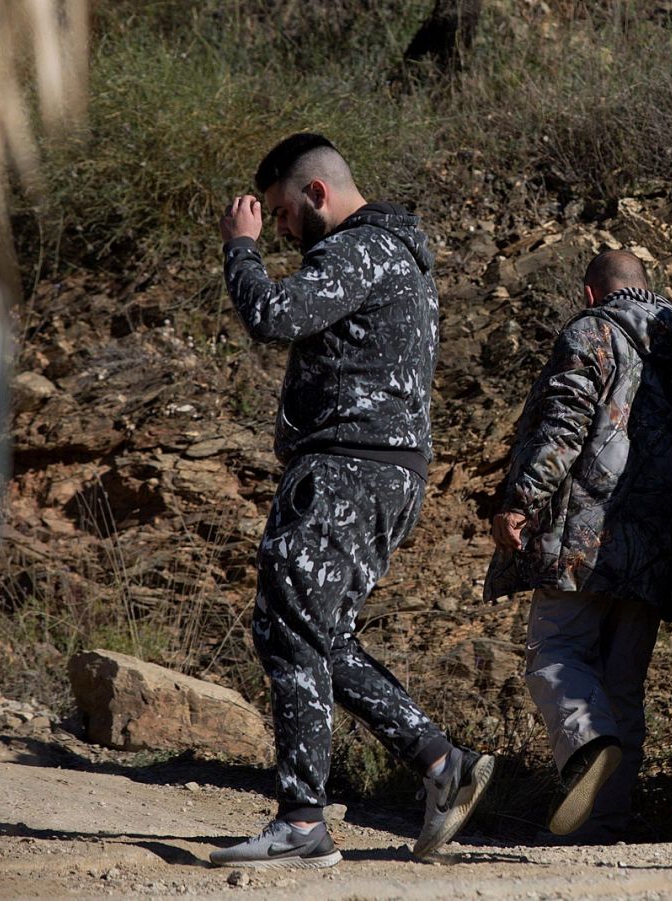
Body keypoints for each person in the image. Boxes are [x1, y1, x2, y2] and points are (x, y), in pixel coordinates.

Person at [211, 133, 494, 869]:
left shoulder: (358, 251)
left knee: (288, 629)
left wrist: (239, 248)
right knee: (316, 634)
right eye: (264, 222)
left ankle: (303, 822)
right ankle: (440, 762)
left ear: (316, 194)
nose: (275, 228)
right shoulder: (395, 254)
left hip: (347, 468)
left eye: (277, 214)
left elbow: (272, 314)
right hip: (379, 470)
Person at [487, 250, 672, 843]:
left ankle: (588, 746)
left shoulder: (592, 332)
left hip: (582, 537)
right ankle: (603, 823)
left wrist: (522, 500)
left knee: (555, 653)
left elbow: (563, 425)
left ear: (593, 295)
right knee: (622, 684)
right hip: (654, 549)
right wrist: (671, 539)